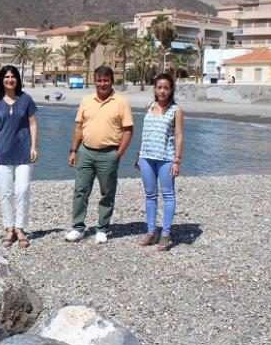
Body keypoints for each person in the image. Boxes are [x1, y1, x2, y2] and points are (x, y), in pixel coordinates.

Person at [66, 65, 133, 244]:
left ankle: (102, 228)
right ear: (94, 81)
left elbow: (128, 130)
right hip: (86, 152)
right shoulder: (86, 100)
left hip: (109, 153)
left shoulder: (121, 102)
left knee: (107, 193)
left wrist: (118, 155)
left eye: (106, 80)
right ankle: (78, 227)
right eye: (99, 80)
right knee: (80, 191)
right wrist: (73, 150)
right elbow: (79, 127)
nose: (102, 83)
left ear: (112, 81)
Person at [0, 65, 38, 248]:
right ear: (2, 80)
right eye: (7, 76)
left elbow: (32, 124)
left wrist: (34, 146)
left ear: (18, 79)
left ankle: (21, 228)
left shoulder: (26, 100)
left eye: (13, 76)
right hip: (3, 152)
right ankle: (9, 228)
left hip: (24, 151)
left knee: (23, 190)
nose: (10, 79)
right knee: (5, 192)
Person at [135, 73, 184, 251]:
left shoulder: (176, 110)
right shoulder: (148, 106)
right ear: (154, 89)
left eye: (166, 88)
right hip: (146, 158)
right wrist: (139, 155)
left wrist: (177, 161)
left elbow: (179, 136)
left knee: (168, 195)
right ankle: (151, 232)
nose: (162, 91)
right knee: (150, 195)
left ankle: (166, 234)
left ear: (171, 90)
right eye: (159, 87)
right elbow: (145, 132)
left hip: (166, 159)